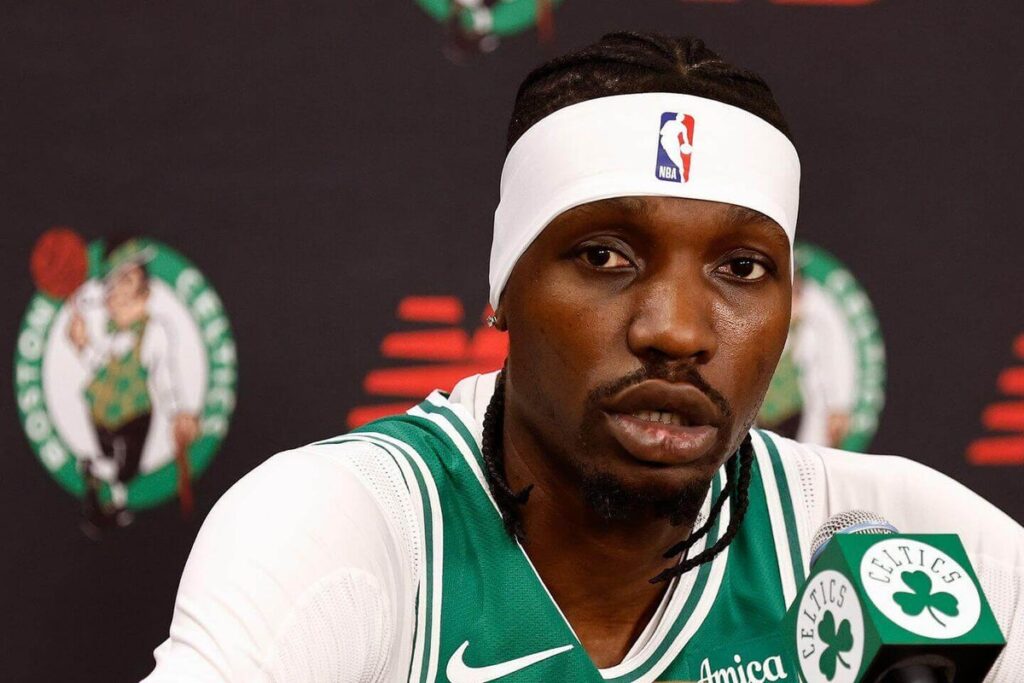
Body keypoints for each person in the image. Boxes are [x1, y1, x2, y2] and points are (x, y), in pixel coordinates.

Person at [143, 32, 1024, 681]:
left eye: (741, 267)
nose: (677, 330)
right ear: (504, 286)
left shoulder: (910, 547)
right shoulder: (354, 529)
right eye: (606, 255)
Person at [69, 239, 200, 530]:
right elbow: (101, 366)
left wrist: (178, 412)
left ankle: (104, 486)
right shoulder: (112, 333)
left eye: (128, 278)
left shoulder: (155, 331)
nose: (117, 290)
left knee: (125, 471)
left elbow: (163, 374)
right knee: (114, 466)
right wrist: (82, 345)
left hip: (134, 414)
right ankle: (106, 499)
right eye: (115, 281)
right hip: (100, 410)